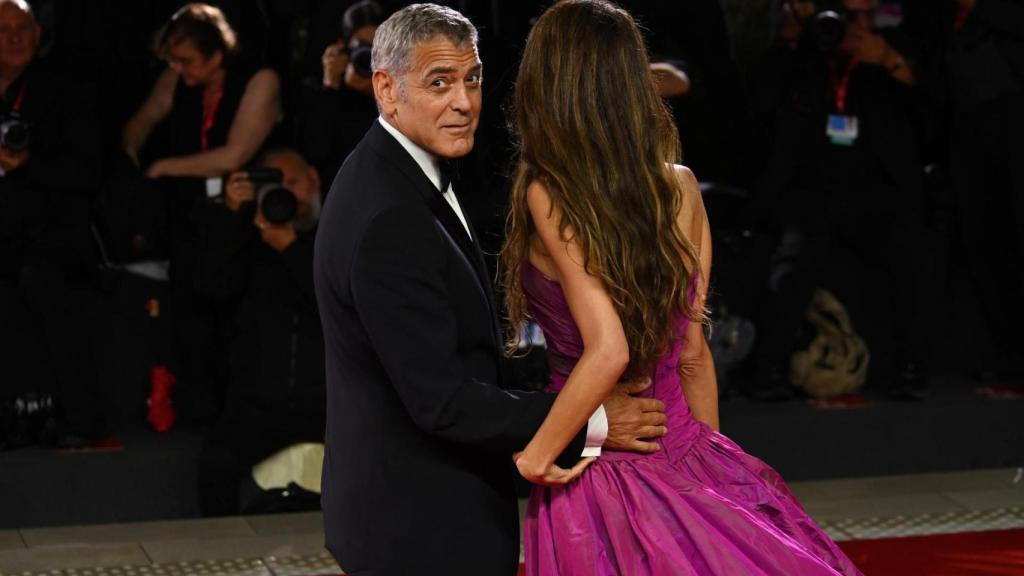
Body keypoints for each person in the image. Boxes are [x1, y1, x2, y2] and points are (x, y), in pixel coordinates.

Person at [502, 2, 862, 574]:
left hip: (604, 473)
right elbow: (692, 356)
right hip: (683, 448)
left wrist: (538, 454)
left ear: (546, 84)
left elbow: (609, 349)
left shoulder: (548, 192)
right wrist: (715, 481)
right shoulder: (682, 188)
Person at [313, 4, 670, 574]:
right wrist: (593, 421)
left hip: (418, 511)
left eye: (471, 79)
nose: (463, 102)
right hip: (422, 530)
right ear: (386, 88)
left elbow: (457, 348)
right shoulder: (389, 215)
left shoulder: (398, 173)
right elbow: (444, 401)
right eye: (439, 83)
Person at [120, 3, 281, 421]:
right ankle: (198, 409)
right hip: (191, 214)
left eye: (187, 60)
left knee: (234, 314)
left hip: (242, 215)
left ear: (216, 54)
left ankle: (241, 408)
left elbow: (234, 155)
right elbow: (140, 122)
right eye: (174, 60)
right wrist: (133, 159)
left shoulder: (259, 80)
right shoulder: (179, 77)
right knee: (187, 311)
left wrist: (162, 167)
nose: (179, 68)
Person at [193, 148, 325, 516]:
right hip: (257, 407)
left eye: (294, 183)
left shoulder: (340, 232)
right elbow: (211, 285)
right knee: (215, 467)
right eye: (274, 185)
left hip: (331, 407)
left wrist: (291, 248)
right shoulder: (247, 242)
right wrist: (234, 217)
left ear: (314, 178)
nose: (287, 195)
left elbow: (336, 302)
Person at [0, 0, 102, 447]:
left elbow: (88, 171)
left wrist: (26, 164)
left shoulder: (67, 90)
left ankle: (81, 417)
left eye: (24, 28)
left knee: (41, 283)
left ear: (40, 34)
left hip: (53, 237)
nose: (16, 38)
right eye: (4, 30)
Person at [296, 0, 384, 181]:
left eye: (378, 48)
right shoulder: (327, 88)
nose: (370, 58)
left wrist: (375, 93)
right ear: (344, 47)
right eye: (363, 47)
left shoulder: (404, 85)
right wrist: (331, 84)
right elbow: (315, 151)